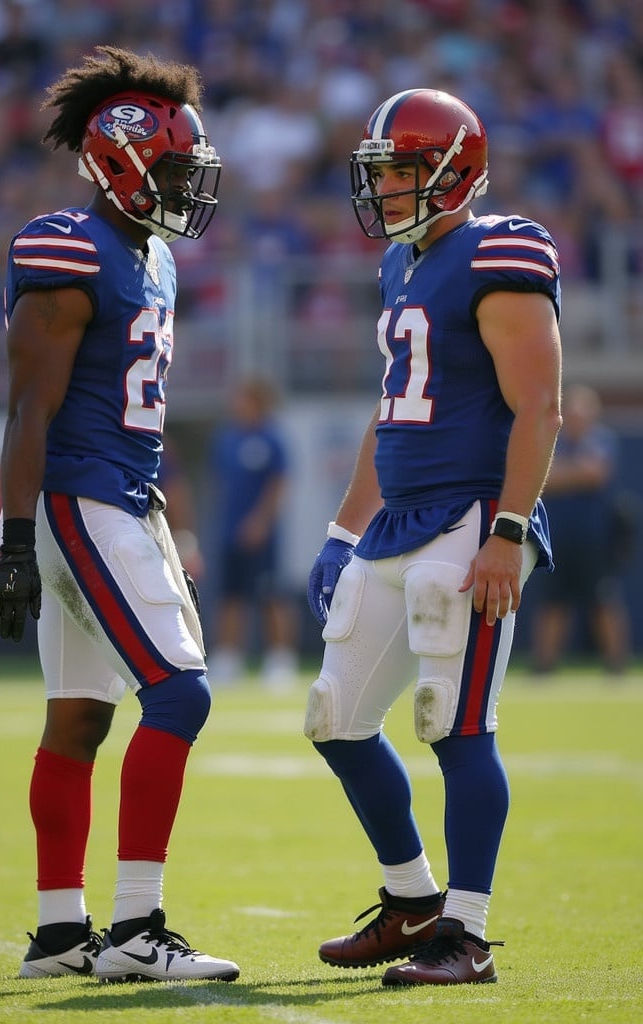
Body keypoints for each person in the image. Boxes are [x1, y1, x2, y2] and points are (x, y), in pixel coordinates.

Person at [0, 46, 239, 984]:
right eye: (171, 166)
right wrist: (13, 541)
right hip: (81, 496)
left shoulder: (151, 255)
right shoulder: (67, 245)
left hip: (122, 493)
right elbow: (27, 409)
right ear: (124, 162)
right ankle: (138, 928)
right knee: (181, 694)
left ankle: (59, 933)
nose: (184, 186)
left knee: (80, 717)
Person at [304, 89, 562, 987]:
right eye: (382, 173)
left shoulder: (500, 250)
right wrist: (344, 527)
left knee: (453, 724)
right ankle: (412, 899)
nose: (388, 190)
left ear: (453, 168)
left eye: (404, 169)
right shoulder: (403, 265)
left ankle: (469, 933)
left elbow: (540, 405)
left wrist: (509, 530)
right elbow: (393, 413)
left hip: (471, 516)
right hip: (398, 518)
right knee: (335, 717)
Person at [530, 384, 632, 674]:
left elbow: (595, 474)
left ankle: (616, 665)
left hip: (595, 539)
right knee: (553, 603)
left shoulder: (602, 439)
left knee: (604, 600)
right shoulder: (553, 441)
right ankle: (544, 666)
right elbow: (543, 480)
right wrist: (573, 472)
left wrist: (561, 473)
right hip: (557, 538)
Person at [207, 376, 299, 690]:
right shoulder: (227, 438)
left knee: (271, 595)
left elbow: (279, 485)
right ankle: (228, 658)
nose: (236, 404)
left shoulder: (271, 438)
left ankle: (281, 660)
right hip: (230, 533)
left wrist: (260, 522)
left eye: (243, 398)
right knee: (230, 596)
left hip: (263, 536)